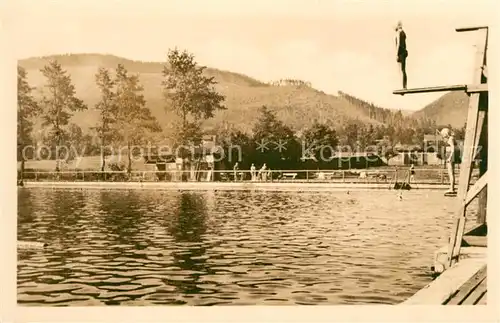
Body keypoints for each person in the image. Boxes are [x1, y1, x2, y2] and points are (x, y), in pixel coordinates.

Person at [440, 128, 458, 193]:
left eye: (443, 135)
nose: (443, 137)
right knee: (451, 173)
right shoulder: (451, 138)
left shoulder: (450, 139)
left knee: (451, 173)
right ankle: (451, 188)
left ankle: (452, 189)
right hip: (449, 155)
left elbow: (452, 149)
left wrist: (450, 157)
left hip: (450, 156)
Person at [395, 21, 408, 89]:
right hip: (404, 52)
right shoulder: (403, 33)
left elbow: (398, 44)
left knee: (401, 70)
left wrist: (397, 54)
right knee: (403, 70)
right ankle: (404, 86)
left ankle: (403, 86)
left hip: (401, 53)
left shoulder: (399, 33)